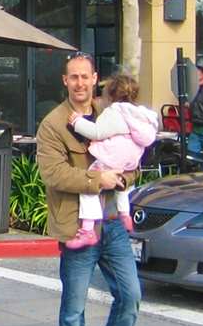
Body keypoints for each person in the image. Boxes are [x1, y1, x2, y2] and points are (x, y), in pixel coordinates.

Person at [37, 52, 142, 326]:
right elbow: (53, 173)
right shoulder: (53, 124)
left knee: (130, 296)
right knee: (74, 308)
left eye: (86, 76)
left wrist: (123, 178)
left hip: (113, 225)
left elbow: (133, 157)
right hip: (78, 228)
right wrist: (99, 180)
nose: (80, 83)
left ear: (95, 79)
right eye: (73, 77)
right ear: (65, 81)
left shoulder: (114, 112)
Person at [67, 73, 158, 249]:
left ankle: (87, 230)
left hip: (111, 157)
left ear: (110, 96)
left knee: (89, 185)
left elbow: (96, 132)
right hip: (129, 160)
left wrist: (77, 121)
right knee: (121, 185)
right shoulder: (141, 115)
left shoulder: (114, 112)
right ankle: (125, 214)